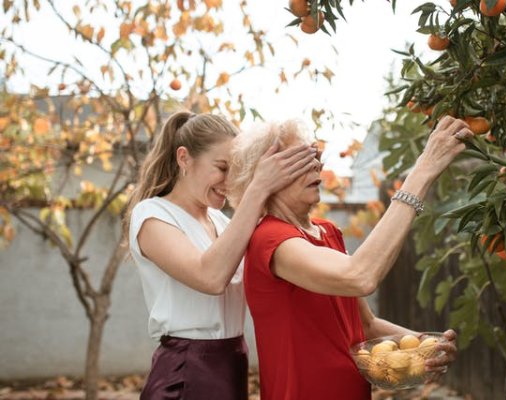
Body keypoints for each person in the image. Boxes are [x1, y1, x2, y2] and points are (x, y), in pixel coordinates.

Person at [226, 117, 473, 400]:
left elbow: (364, 326)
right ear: (266, 175)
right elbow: (360, 276)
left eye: (314, 156)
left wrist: (426, 345)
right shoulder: (269, 239)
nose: (317, 165)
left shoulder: (327, 232)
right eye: (301, 159)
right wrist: (423, 170)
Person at [123, 110, 318, 400]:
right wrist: (259, 187)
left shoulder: (223, 223)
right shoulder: (152, 215)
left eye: (237, 171)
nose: (230, 182)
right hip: (187, 371)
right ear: (184, 158)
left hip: (232, 366)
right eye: (222, 167)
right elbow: (210, 277)